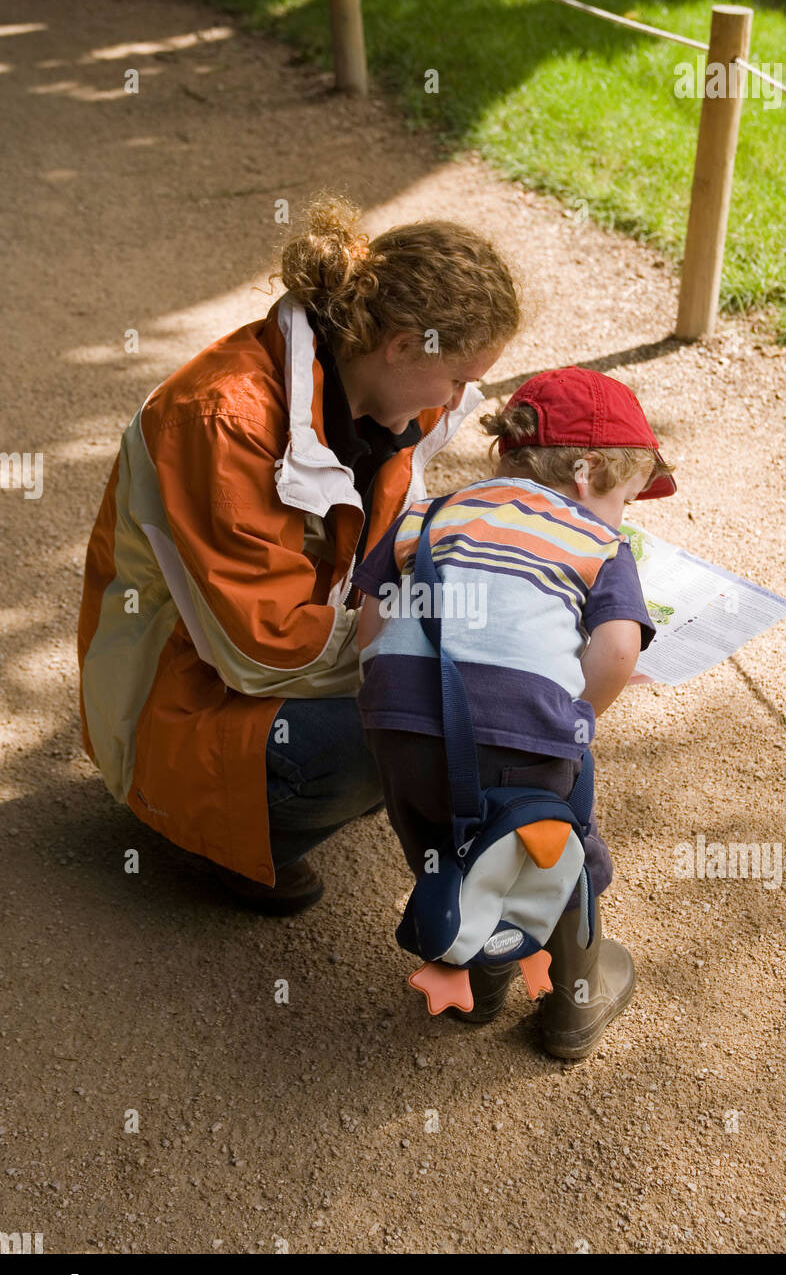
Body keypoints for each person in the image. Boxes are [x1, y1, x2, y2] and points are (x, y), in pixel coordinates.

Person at [77, 195, 520, 913]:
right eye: (461, 377)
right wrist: (448, 645)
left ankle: (306, 795)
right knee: (423, 711)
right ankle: (214, 834)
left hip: (260, 648)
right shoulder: (225, 419)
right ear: (403, 345)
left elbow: (391, 536)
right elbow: (263, 652)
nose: (466, 398)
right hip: (181, 695)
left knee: (457, 690)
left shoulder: (389, 392)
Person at [352, 366, 676, 1058]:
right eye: (625, 498)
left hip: (397, 726)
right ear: (586, 471)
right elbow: (618, 649)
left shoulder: (428, 513)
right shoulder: (599, 543)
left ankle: (477, 969)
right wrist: (576, 711)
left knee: (450, 843)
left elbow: (372, 621)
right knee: (551, 846)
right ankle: (574, 1008)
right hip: (520, 736)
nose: (623, 516)